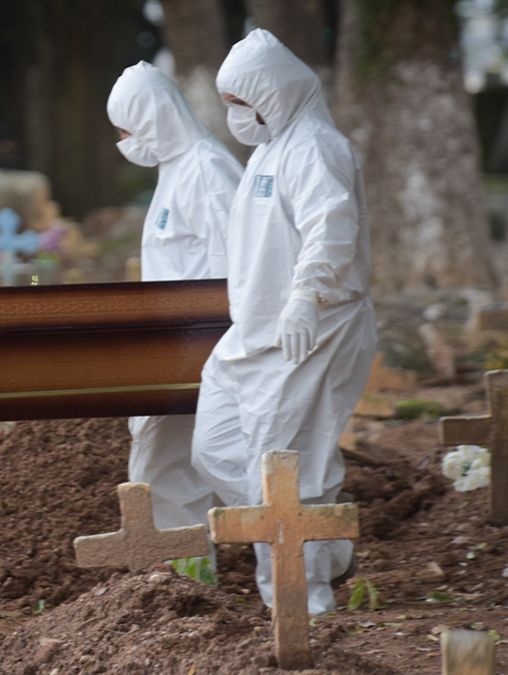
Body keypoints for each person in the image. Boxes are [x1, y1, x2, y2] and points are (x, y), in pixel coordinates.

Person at [191, 28, 374, 615]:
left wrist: (305, 296)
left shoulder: (316, 145)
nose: (236, 117)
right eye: (229, 106)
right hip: (252, 336)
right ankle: (321, 539)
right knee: (214, 450)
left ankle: (302, 606)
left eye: (242, 103)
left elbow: (332, 225)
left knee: (287, 465)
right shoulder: (270, 150)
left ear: (275, 93)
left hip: (313, 330)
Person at [107, 61, 241, 566]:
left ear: (156, 117)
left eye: (128, 129)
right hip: (175, 345)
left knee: (218, 455)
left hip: (207, 345)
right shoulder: (176, 169)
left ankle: (315, 548)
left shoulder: (208, 169)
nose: (124, 141)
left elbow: (238, 266)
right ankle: (181, 574)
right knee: (165, 460)